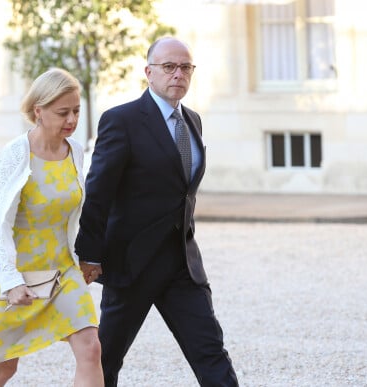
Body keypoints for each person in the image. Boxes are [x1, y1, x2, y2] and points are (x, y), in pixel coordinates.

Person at [75, 37, 239, 386]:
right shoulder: (121, 120)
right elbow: (99, 193)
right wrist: (88, 253)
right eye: (169, 67)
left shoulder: (192, 120)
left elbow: (182, 192)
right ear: (149, 72)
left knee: (210, 353)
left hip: (183, 266)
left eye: (185, 67)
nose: (178, 74)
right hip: (132, 266)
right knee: (107, 361)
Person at [0, 68, 104, 387]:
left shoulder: (75, 153)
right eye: (63, 112)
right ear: (38, 111)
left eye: (76, 111)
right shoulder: (16, 154)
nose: (71, 119)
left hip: (62, 271)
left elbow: (75, 215)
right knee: (3, 369)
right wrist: (11, 281)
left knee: (91, 350)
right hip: (20, 275)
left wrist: (88, 257)